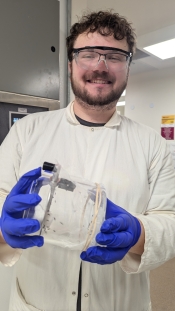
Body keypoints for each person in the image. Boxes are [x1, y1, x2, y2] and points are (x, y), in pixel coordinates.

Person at [0, 10, 175, 311]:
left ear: (128, 66)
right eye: (88, 54)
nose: (100, 66)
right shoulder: (25, 132)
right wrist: (3, 228)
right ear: (70, 64)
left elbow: (170, 220)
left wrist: (139, 232)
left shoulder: (155, 147)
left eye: (115, 56)